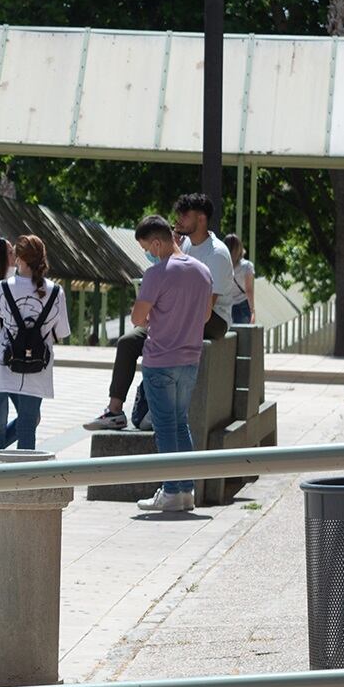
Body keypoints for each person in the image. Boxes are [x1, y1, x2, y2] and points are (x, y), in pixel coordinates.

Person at [84, 192, 236, 431]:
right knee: (127, 342)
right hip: (179, 314)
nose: (179, 220)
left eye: (185, 216)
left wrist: (157, 319)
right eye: (178, 215)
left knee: (161, 338)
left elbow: (205, 307)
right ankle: (114, 411)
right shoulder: (183, 245)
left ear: (202, 219)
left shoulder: (216, 253)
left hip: (212, 318)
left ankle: (156, 407)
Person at [0, 235, 70, 466]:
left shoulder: (4, 287)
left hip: (4, 360)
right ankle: (21, 480)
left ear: (18, 258)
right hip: (38, 364)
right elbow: (62, 332)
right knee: (28, 422)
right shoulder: (55, 290)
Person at [130, 215, 213, 513]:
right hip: (190, 359)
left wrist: (155, 316)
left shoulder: (157, 274)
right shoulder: (203, 271)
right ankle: (185, 490)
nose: (147, 254)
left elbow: (137, 318)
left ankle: (170, 491)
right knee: (181, 423)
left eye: (146, 247)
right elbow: (204, 317)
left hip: (161, 359)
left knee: (164, 427)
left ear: (156, 242)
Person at [226, 233, 256, 325]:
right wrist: (252, 310)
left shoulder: (222, 265)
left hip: (225, 307)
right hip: (242, 307)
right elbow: (249, 290)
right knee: (244, 337)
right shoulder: (247, 266)